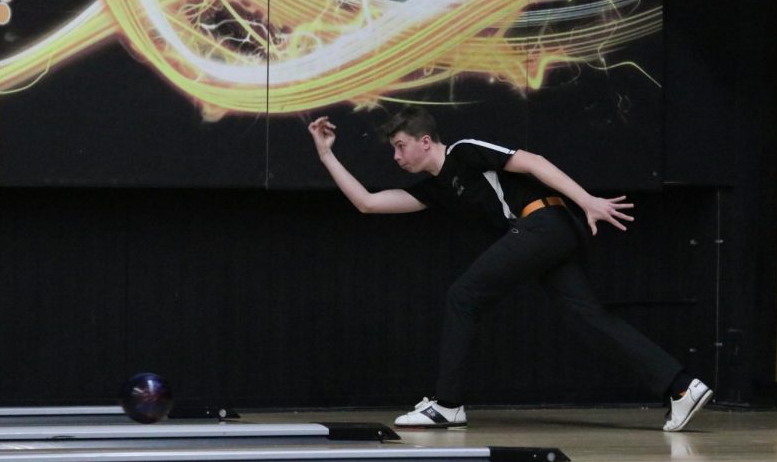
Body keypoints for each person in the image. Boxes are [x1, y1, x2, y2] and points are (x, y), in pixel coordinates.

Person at [306, 106, 713, 432]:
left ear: (424, 141)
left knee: (463, 296)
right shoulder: (436, 189)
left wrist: (588, 200)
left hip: (543, 224)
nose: (396, 157)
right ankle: (681, 386)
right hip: (542, 236)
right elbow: (368, 203)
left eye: (399, 146)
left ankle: (447, 405)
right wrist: (325, 153)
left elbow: (534, 162)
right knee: (589, 318)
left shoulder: (464, 151)